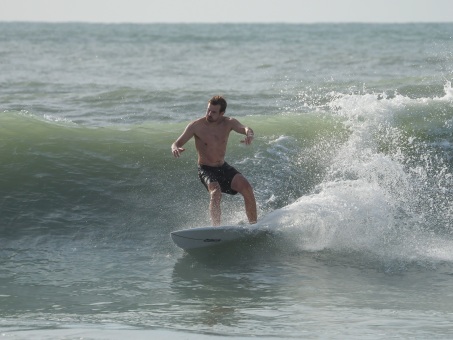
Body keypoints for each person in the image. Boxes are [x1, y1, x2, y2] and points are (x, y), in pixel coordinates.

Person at [171, 95, 257, 226]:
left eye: (213, 112)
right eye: (208, 110)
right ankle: (216, 229)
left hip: (223, 167)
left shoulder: (229, 122)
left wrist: (249, 135)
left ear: (222, 113)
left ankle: (254, 225)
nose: (209, 114)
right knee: (215, 193)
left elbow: (246, 128)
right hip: (206, 169)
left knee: (247, 188)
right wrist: (175, 148)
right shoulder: (196, 126)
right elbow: (176, 143)